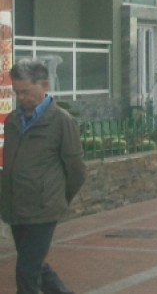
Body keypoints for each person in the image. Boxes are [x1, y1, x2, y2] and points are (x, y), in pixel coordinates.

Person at [1, 60, 86, 294]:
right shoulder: (12, 121)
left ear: (44, 84)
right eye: (16, 91)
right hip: (15, 206)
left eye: (26, 91)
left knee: (26, 271)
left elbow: (76, 170)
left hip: (43, 208)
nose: (21, 97)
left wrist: (56, 197)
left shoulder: (61, 122)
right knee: (35, 265)